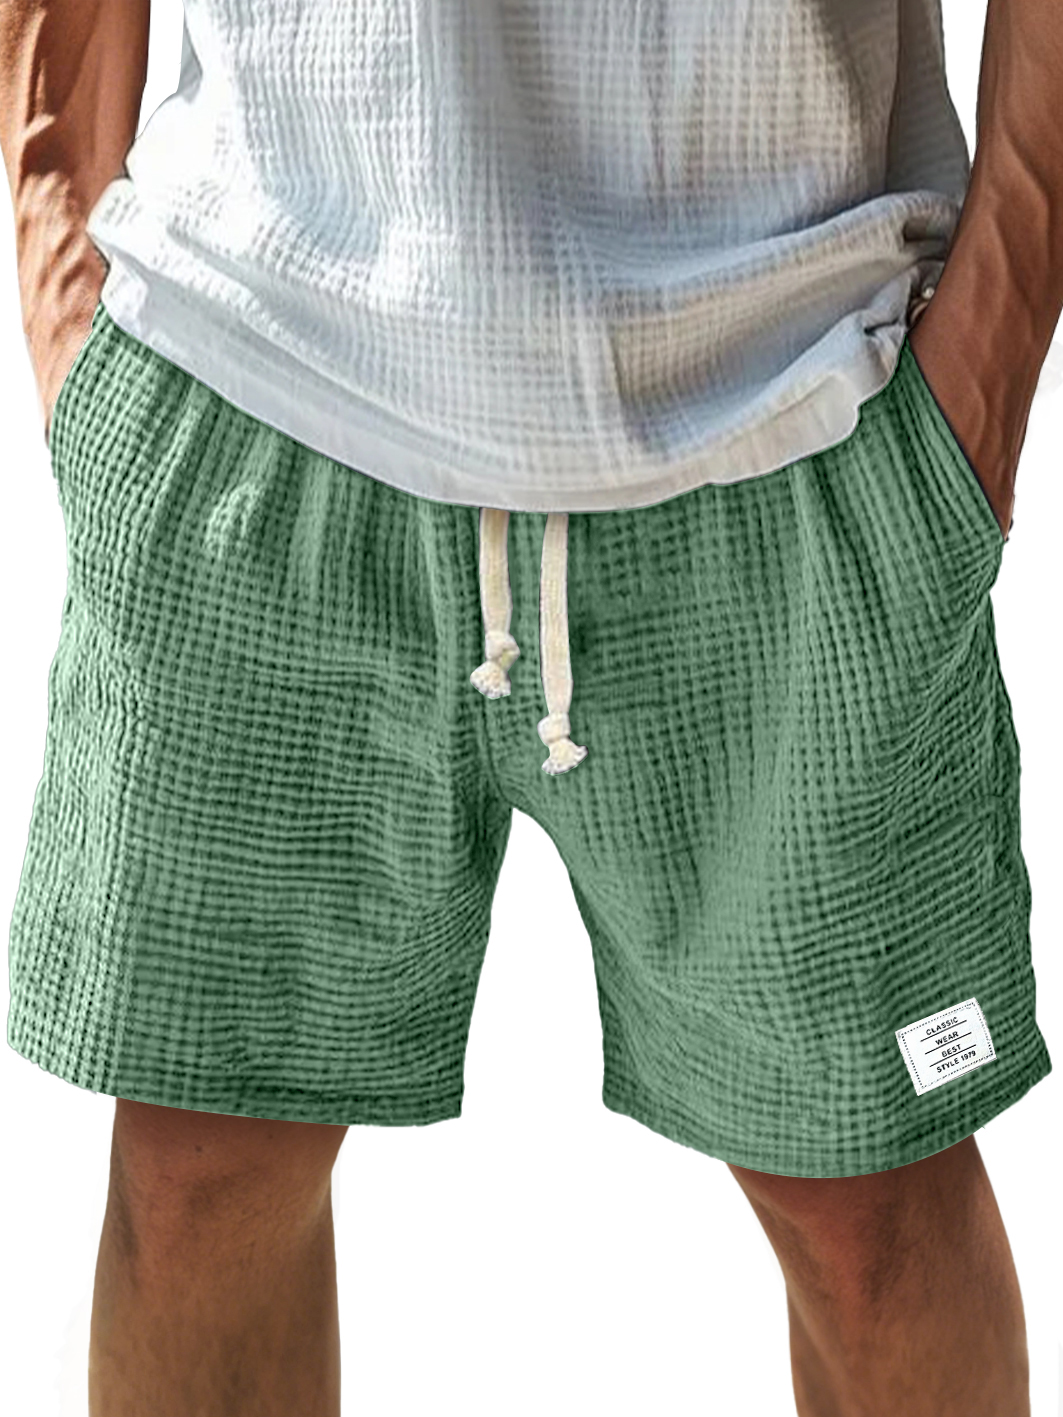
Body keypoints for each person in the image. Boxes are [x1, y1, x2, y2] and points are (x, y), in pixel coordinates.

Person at [1, 1, 1057, 1413]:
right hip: (256, 368)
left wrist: (993, 347)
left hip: (796, 388)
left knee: (870, 1204)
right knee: (198, 1176)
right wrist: (62, 248)